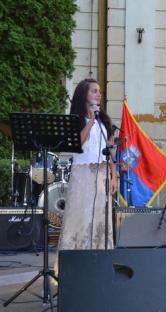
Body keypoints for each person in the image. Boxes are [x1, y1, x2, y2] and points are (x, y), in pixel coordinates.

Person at [56, 78, 117, 259]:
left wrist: (114, 176)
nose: (99, 94)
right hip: (82, 174)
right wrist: (90, 122)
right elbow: (78, 144)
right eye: (94, 91)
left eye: (99, 91)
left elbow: (110, 150)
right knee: (79, 218)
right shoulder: (76, 120)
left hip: (102, 175)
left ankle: (99, 262)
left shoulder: (104, 120)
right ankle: (73, 265)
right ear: (84, 95)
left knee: (100, 219)